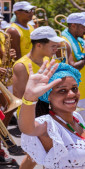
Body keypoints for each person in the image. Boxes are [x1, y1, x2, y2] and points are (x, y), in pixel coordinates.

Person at [19, 61, 85, 168]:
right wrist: (29, 98)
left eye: (74, 88)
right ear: (48, 96)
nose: (71, 94)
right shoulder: (48, 124)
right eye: (62, 90)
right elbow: (28, 128)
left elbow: (77, 155)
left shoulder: (77, 118)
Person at [12, 26, 65, 169]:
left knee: (49, 154)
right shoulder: (21, 66)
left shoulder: (49, 61)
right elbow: (20, 97)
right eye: (53, 46)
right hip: (33, 116)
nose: (56, 48)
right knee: (34, 157)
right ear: (39, 45)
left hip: (49, 112)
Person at [61, 13, 85, 135]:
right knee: (71, 128)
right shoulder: (64, 41)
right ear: (73, 26)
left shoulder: (81, 41)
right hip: (72, 91)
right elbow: (72, 67)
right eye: (83, 27)